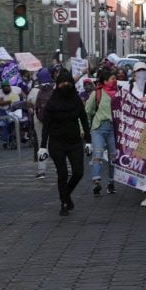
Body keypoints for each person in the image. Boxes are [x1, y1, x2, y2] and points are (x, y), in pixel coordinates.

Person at [37, 70, 91, 216]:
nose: (65, 85)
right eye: (62, 83)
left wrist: (88, 141)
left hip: (74, 141)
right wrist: (42, 146)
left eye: (68, 82)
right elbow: (46, 125)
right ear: (57, 84)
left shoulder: (76, 100)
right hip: (57, 143)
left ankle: (65, 194)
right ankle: (64, 202)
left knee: (78, 172)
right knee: (62, 173)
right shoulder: (52, 103)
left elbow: (84, 119)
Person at [85, 68, 118, 196]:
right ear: (105, 81)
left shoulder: (118, 93)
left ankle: (111, 183)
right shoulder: (97, 93)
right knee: (97, 155)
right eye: (112, 79)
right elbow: (88, 110)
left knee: (113, 157)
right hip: (98, 127)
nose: (115, 80)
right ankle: (96, 183)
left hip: (112, 128)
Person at [27, 68, 54, 179]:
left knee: (41, 144)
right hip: (53, 120)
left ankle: (41, 171)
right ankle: (62, 168)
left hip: (39, 120)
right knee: (57, 142)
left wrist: (32, 109)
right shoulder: (55, 88)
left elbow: (29, 103)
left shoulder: (34, 90)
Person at [0, 79, 24, 148]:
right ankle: (5, 141)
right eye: (3, 87)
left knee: (18, 123)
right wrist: (10, 101)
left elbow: (23, 95)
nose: (5, 88)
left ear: (9, 86)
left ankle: (18, 137)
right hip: (4, 110)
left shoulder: (16, 89)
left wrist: (21, 100)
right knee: (4, 125)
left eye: (6, 86)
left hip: (15, 109)